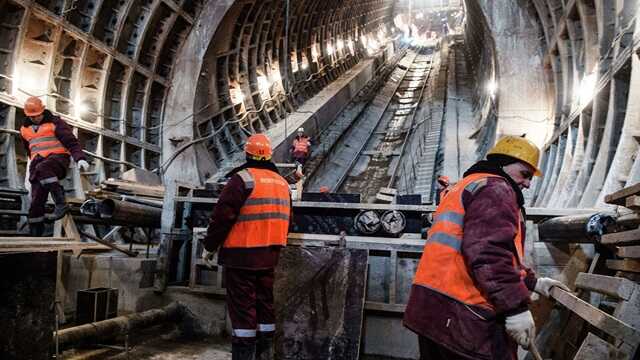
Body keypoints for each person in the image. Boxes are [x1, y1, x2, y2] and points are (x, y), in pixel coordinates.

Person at [403, 136, 570, 360]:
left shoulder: (466, 186)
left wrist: (533, 282)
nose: (528, 183)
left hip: (433, 310)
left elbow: (494, 251)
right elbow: (488, 254)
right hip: (464, 314)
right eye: (525, 174)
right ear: (503, 164)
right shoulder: (496, 189)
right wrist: (515, 308)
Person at [201, 133, 291, 360]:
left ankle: (243, 355)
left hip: (242, 255)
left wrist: (209, 246)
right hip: (269, 256)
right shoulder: (283, 184)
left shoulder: (242, 179)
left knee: (243, 310)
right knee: (264, 304)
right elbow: (289, 220)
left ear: (247, 154)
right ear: (269, 155)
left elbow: (221, 217)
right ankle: (266, 353)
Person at [20, 96, 90, 236]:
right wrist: (31, 169)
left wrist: (80, 158)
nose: (35, 118)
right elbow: (30, 150)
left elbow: (72, 142)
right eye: (32, 116)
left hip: (58, 160)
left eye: (37, 115)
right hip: (37, 165)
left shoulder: (55, 123)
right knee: (36, 201)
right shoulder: (24, 129)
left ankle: (60, 203)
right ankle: (35, 233)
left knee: (43, 168)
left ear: (43, 111)